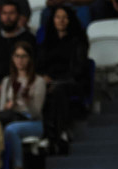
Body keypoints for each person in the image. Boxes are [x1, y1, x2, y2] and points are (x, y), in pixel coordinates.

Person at [37, 6, 88, 155]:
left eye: (64, 17)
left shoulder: (78, 41)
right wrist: (43, 77)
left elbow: (79, 69)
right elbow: (39, 66)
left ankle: (58, 133)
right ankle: (51, 135)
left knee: (58, 90)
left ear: (70, 20)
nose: (61, 20)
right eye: (57, 17)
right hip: (48, 81)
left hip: (72, 81)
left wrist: (56, 81)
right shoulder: (47, 42)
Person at [0, 41, 45, 169]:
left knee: (11, 130)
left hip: (32, 122)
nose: (20, 60)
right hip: (12, 117)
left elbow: (37, 113)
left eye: (23, 56)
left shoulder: (38, 81)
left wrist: (27, 101)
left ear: (30, 58)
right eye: (17, 56)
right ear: (12, 58)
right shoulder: (7, 81)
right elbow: (1, 110)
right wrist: (8, 106)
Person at [0, 1, 36, 99]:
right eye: (4, 13)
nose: (7, 17)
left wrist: (7, 86)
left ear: (18, 16)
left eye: (11, 13)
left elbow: (33, 67)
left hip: (20, 86)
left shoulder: (29, 39)